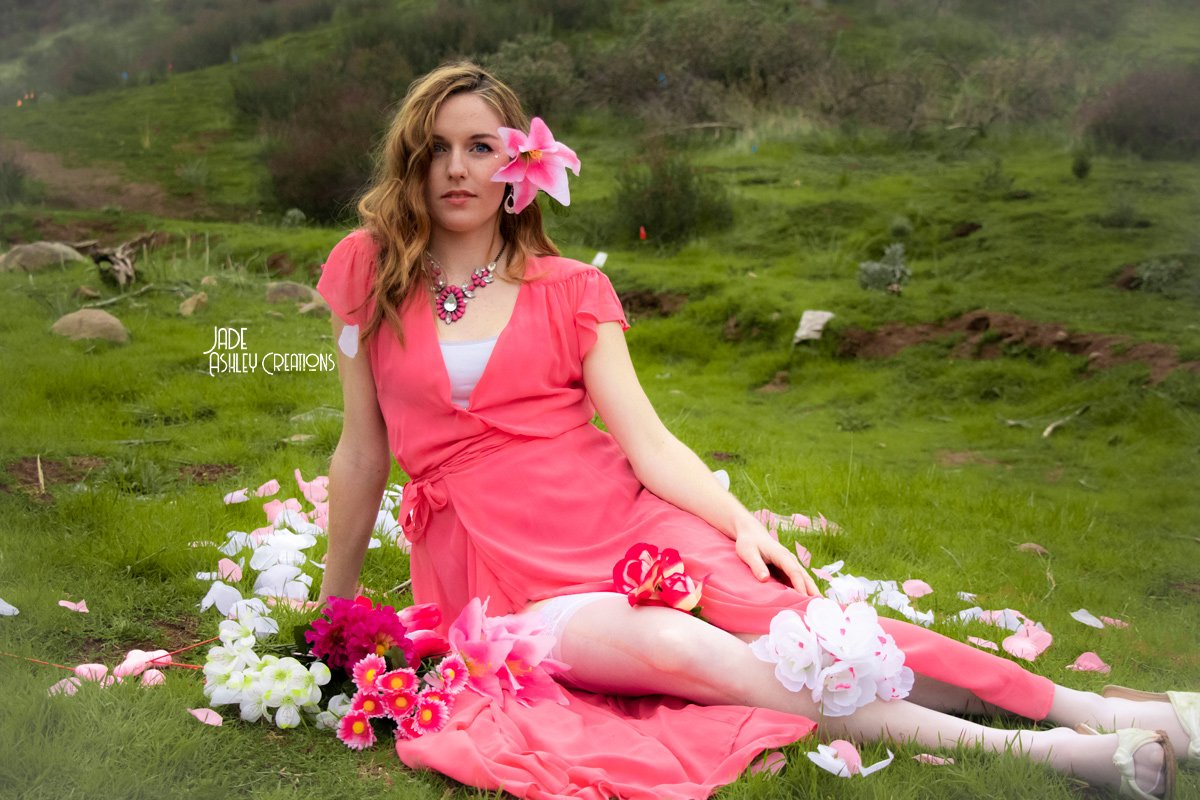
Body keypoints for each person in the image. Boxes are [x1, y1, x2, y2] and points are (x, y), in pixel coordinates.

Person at [314, 62, 1192, 800]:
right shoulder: (369, 273)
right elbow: (362, 450)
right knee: (677, 647)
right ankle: (1041, 752)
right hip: (496, 568)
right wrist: (336, 613)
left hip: (619, 519)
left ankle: (1088, 711)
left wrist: (738, 525)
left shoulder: (572, 287)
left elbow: (650, 445)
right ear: (410, 162)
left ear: (522, 166)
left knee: (795, 633)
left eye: (482, 147)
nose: (456, 168)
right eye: (436, 148)